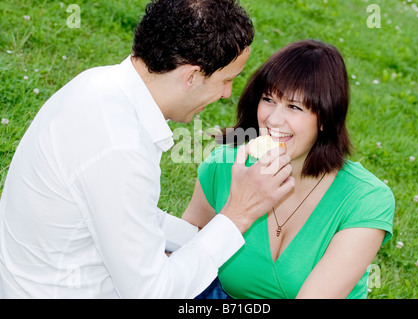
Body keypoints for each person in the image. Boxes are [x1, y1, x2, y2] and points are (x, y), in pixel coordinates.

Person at [0, 0, 294, 298]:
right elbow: (152, 293)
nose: (227, 93)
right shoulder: (120, 147)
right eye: (226, 80)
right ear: (191, 76)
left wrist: (201, 236)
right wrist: (239, 214)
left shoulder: (99, 85)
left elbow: (130, 214)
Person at [183, 39, 395, 299]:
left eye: (295, 107)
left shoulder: (366, 199)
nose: (273, 119)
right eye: (268, 99)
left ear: (326, 119)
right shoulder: (225, 166)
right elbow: (179, 253)